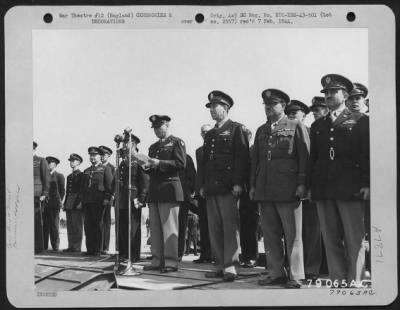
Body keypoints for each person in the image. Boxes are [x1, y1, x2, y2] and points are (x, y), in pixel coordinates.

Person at [308, 74, 370, 285]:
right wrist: (310, 187)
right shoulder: (318, 126)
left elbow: (365, 155)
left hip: (350, 188)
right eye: (325, 92)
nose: (328, 96)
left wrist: (366, 184)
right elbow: (313, 159)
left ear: (345, 95)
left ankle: (356, 280)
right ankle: (338, 279)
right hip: (324, 189)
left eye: (333, 92)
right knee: (331, 238)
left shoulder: (361, 121)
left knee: (354, 239)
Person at [250, 89, 309, 288]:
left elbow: (304, 157)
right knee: (270, 234)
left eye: (272, 104)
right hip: (265, 189)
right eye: (266, 104)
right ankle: (276, 273)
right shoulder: (261, 130)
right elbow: (255, 161)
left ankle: (296, 274)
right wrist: (253, 186)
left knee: (293, 235)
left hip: (288, 188)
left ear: (283, 105)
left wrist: (302, 184)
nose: (268, 107)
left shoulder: (295, 125)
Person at [198, 90, 250, 282]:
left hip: (229, 187)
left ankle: (231, 266)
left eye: (215, 106)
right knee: (215, 228)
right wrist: (202, 185)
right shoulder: (210, 133)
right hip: (212, 187)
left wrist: (238, 183)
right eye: (210, 107)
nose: (212, 110)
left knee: (230, 228)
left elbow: (242, 158)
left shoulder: (237, 129)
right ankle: (219, 264)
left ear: (226, 108)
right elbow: (205, 162)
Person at [143, 115, 186, 273]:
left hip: (169, 189)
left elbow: (181, 163)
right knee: (155, 229)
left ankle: (170, 262)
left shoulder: (177, 142)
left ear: (167, 126)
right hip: (155, 190)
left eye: (159, 128)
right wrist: (146, 165)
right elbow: (150, 166)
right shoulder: (153, 147)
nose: (156, 131)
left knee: (169, 228)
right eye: (154, 128)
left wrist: (159, 163)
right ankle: (157, 260)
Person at [285, 100, 322, 281]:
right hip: (291, 190)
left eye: (295, 114)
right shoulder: (284, 133)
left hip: (309, 190)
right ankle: (294, 268)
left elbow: (314, 162)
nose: (292, 117)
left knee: (312, 230)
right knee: (293, 233)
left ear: (304, 116)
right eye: (289, 114)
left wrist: (311, 187)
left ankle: (312, 269)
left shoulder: (312, 132)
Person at [116, 134, 149, 263]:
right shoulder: (124, 161)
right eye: (123, 143)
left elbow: (145, 181)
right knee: (123, 227)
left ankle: (134, 254)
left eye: (126, 143)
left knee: (133, 228)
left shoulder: (140, 159)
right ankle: (124, 253)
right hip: (124, 198)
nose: (124, 145)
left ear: (134, 144)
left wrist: (142, 198)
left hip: (134, 198)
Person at [80, 146, 114, 256]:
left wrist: (107, 198)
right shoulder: (87, 171)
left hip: (99, 201)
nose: (92, 157)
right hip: (87, 201)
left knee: (98, 225)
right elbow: (83, 188)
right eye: (91, 155)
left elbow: (109, 186)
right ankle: (90, 248)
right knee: (88, 225)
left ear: (100, 156)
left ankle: (98, 249)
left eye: (95, 155)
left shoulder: (105, 169)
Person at [238, 127, 260, 268]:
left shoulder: (253, 151)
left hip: (253, 192)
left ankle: (252, 256)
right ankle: (245, 255)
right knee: (243, 226)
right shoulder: (240, 153)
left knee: (252, 226)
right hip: (242, 194)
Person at [193, 124, 213, 264]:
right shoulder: (199, 151)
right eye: (203, 132)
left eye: (208, 132)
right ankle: (205, 254)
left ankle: (215, 254)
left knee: (215, 224)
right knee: (204, 224)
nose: (205, 134)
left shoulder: (214, 149)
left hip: (214, 190)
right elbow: (199, 172)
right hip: (201, 192)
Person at [63, 153, 84, 253]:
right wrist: (65, 203)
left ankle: (77, 246)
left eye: (74, 161)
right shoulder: (69, 176)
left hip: (77, 201)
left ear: (79, 162)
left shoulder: (81, 175)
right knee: (70, 225)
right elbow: (68, 191)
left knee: (77, 226)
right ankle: (71, 245)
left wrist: (80, 202)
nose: (71, 162)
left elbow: (81, 191)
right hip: (69, 202)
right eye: (70, 161)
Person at [44, 156, 65, 251]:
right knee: (44, 225)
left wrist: (58, 201)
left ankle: (55, 246)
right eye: (47, 163)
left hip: (54, 204)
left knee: (54, 226)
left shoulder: (59, 176)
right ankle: (43, 246)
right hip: (44, 204)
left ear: (55, 165)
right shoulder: (44, 175)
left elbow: (62, 191)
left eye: (51, 163)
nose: (48, 165)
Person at [178, 154, 196, 261]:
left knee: (181, 225)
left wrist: (189, 191)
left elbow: (192, 176)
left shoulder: (186, 158)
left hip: (183, 197)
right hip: (169, 196)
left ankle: (179, 252)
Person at [98, 145, 116, 254]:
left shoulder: (110, 167)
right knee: (99, 223)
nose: (102, 157)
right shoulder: (99, 167)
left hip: (107, 198)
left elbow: (111, 185)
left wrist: (108, 197)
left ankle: (105, 246)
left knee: (106, 222)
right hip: (98, 199)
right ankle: (99, 246)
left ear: (108, 156)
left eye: (104, 155)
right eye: (101, 155)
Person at [33, 142, 50, 254]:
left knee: (37, 222)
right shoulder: (22, 160)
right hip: (25, 195)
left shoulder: (41, 160)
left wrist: (45, 193)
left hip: (37, 195)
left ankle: (38, 247)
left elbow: (46, 178)